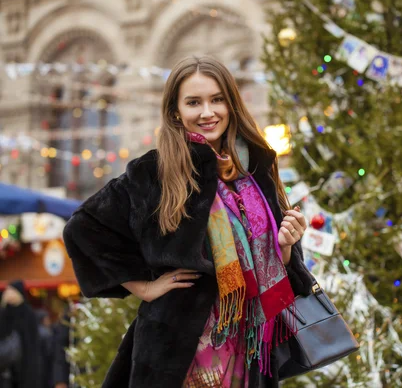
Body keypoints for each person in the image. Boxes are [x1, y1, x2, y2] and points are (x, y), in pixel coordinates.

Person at [63, 56, 315, 387]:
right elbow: (83, 228)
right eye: (194, 102)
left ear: (231, 103)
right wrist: (145, 287)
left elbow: (275, 263)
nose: (207, 112)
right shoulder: (154, 172)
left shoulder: (255, 168)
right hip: (179, 348)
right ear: (176, 112)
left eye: (217, 99)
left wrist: (284, 246)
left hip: (248, 343)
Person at [0, 280, 42, 388]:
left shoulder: (28, 313)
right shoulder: (4, 312)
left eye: (10, 290)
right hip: (5, 367)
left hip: (25, 366)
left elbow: (32, 342)